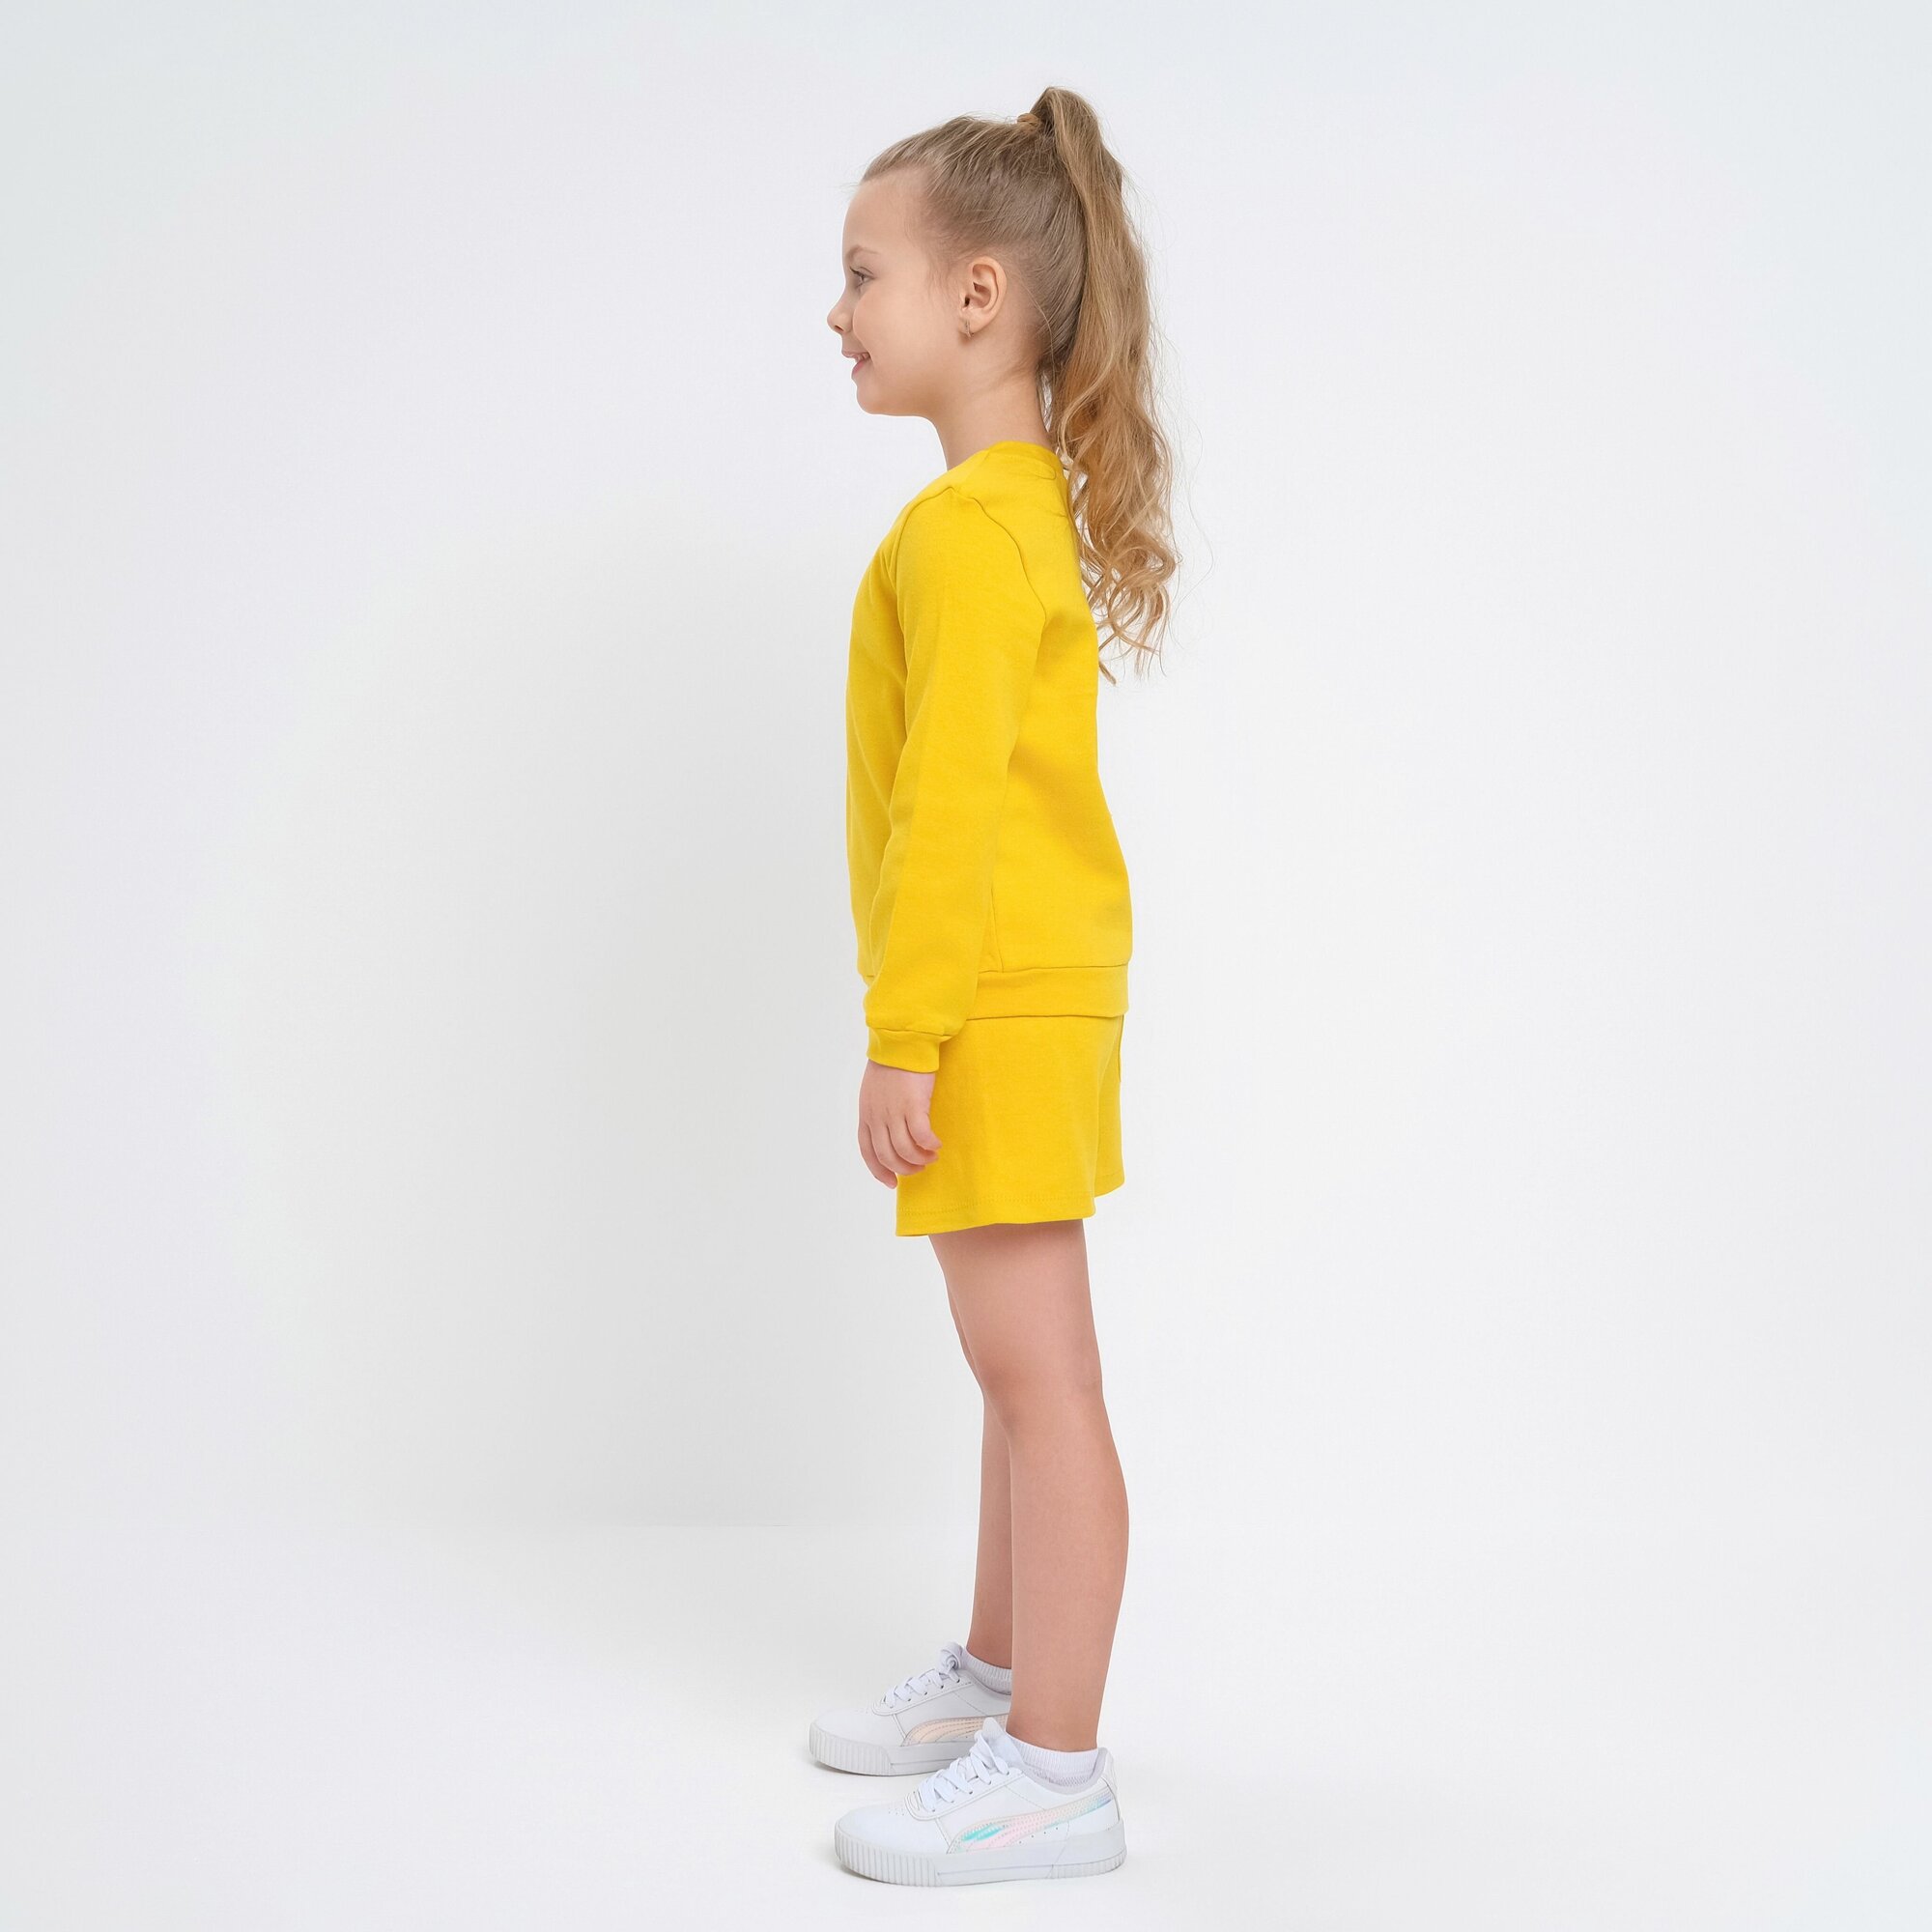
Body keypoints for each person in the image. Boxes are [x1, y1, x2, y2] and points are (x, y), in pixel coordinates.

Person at [815, 86, 1179, 1888]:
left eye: (861, 273)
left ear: (976, 298)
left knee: (1043, 1382)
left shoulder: (969, 532)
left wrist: (907, 1034)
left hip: (997, 1003)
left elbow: (950, 808)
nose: (835, 311)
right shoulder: (1009, 510)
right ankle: (997, 1671)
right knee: (1014, 1372)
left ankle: (1054, 1773)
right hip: (1031, 989)